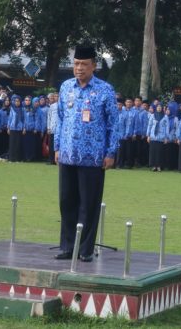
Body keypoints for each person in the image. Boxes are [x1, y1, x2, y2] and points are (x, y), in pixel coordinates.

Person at [54, 44, 119, 263]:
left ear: (94, 66)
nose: (79, 68)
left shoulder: (105, 90)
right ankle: (67, 246)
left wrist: (111, 152)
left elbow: (113, 124)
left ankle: (85, 249)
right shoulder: (66, 87)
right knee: (66, 201)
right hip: (68, 155)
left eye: (84, 64)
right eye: (76, 64)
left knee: (88, 204)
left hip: (93, 157)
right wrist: (56, 147)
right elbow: (60, 119)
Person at [147, 103, 169, 171]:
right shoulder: (152, 116)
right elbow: (149, 125)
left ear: (162, 108)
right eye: (158, 107)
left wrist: (166, 137)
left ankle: (159, 166)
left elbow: (167, 127)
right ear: (156, 108)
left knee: (160, 152)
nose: (159, 108)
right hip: (153, 136)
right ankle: (154, 166)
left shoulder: (165, 117)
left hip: (161, 137)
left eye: (160, 107)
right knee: (153, 151)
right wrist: (148, 135)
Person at [7, 95, 24, 162]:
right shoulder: (12, 109)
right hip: (12, 127)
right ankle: (11, 158)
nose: (17, 102)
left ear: (20, 102)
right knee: (12, 144)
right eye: (16, 101)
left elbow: (23, 119)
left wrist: (24, 128)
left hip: (19, 128)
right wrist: (8, 127)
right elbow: (10, 118)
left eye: (18, 101)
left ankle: (17, 159)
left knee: (18, 144)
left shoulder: (22, 109)